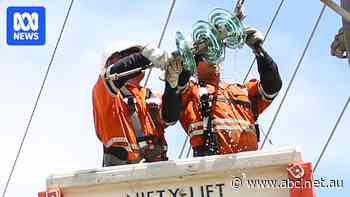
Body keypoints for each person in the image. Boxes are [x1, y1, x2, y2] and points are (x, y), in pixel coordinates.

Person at [163, 27, 283, 157]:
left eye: (215, 54)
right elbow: (170, 111)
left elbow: (272, 86)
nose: (213, 60)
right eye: (206, 56)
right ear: (194, 65)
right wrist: (184, 62)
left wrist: (258, 49)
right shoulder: (191, 92)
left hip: (249, 165)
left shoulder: (242, 91)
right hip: (212, 168)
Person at [92, 40, 181, 166]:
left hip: (158, 174)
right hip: (122, 175)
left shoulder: (150, 97)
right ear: (110, 62)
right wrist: (146, 55)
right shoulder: (104, 93)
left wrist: (171, 85)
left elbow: (170, 118)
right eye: (130, 54)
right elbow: (112, 75)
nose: (134, 57)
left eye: (136, 54)